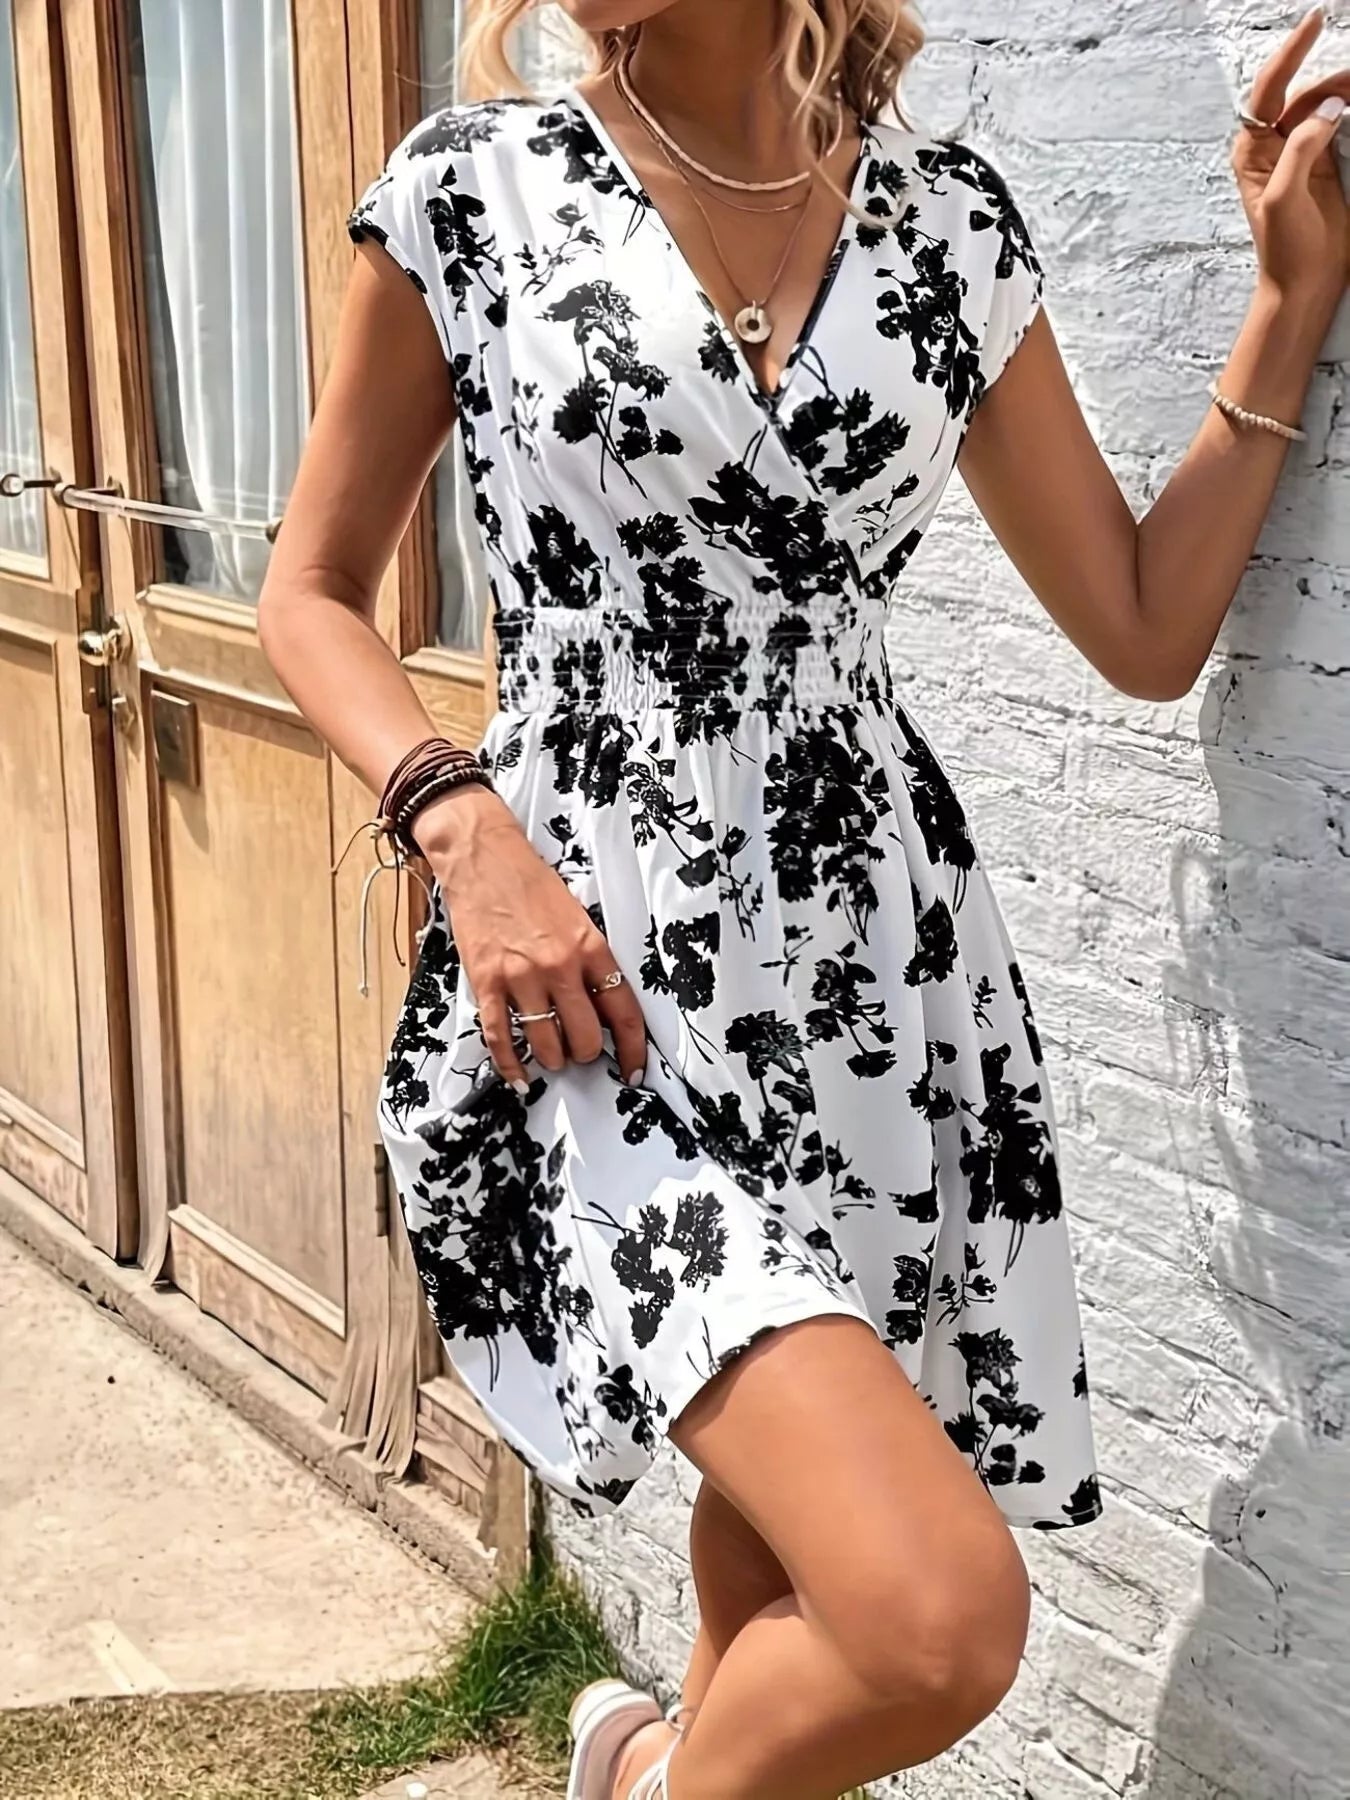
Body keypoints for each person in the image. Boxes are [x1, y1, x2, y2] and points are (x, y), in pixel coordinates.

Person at [257, 3, 1348, 1795]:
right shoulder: (477, 189)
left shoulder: (942, 226)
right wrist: (462, 828)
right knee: (931, 1618)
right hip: (587, 970)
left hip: (866, 972)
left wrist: (1287, 303)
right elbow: (309, 587)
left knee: (770, 1553)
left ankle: (640, 1760)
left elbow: (1144, 628)